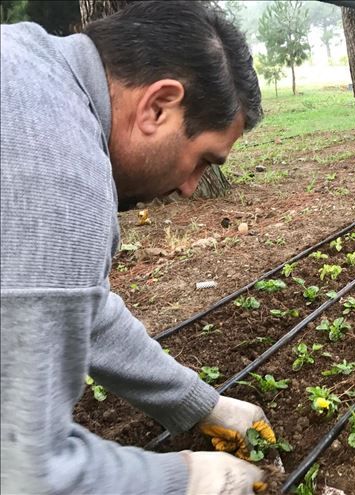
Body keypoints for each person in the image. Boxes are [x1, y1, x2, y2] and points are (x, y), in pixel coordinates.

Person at [1, 2, 272, 493]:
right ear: (158, 106)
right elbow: (23, 470)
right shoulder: (59, 174)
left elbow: (82, 304)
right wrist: (182, 480)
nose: (192, 187)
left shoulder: (27, 65)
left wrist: (201, 404)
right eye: (203, 160)